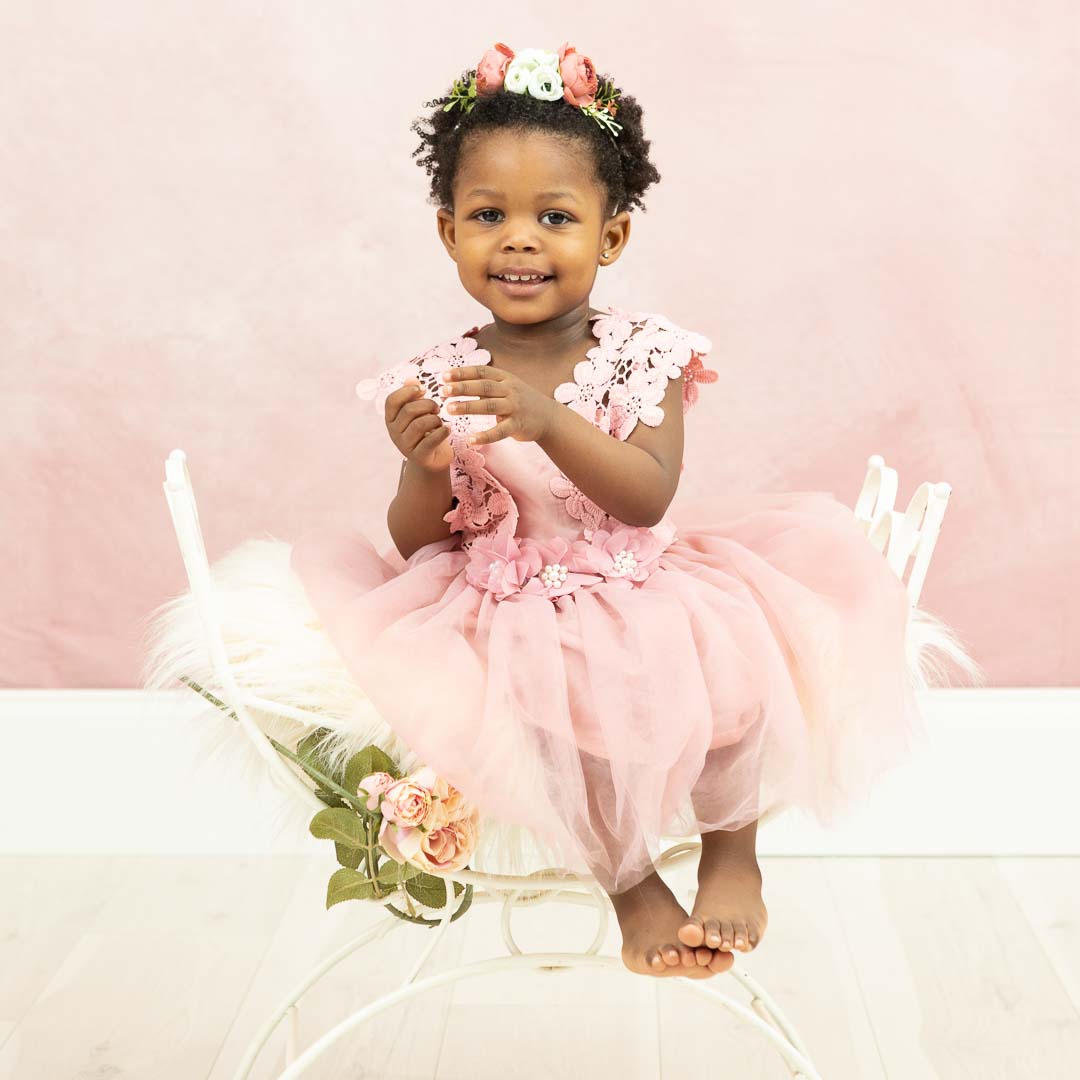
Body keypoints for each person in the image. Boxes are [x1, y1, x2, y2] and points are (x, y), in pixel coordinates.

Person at [289, 42, 974, 980]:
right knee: (553, 716)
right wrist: (423, 468)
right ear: (448, 233)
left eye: (555, 217)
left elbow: (649, 491)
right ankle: (629, 885)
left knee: (733, 681)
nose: (520, 240)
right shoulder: (436, 376)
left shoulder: (643, 354)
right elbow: (419, 544)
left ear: (609, 237)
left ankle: (735, 848)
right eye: (488, 215)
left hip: (634, 574)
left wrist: (547, 420)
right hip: (506, 598)